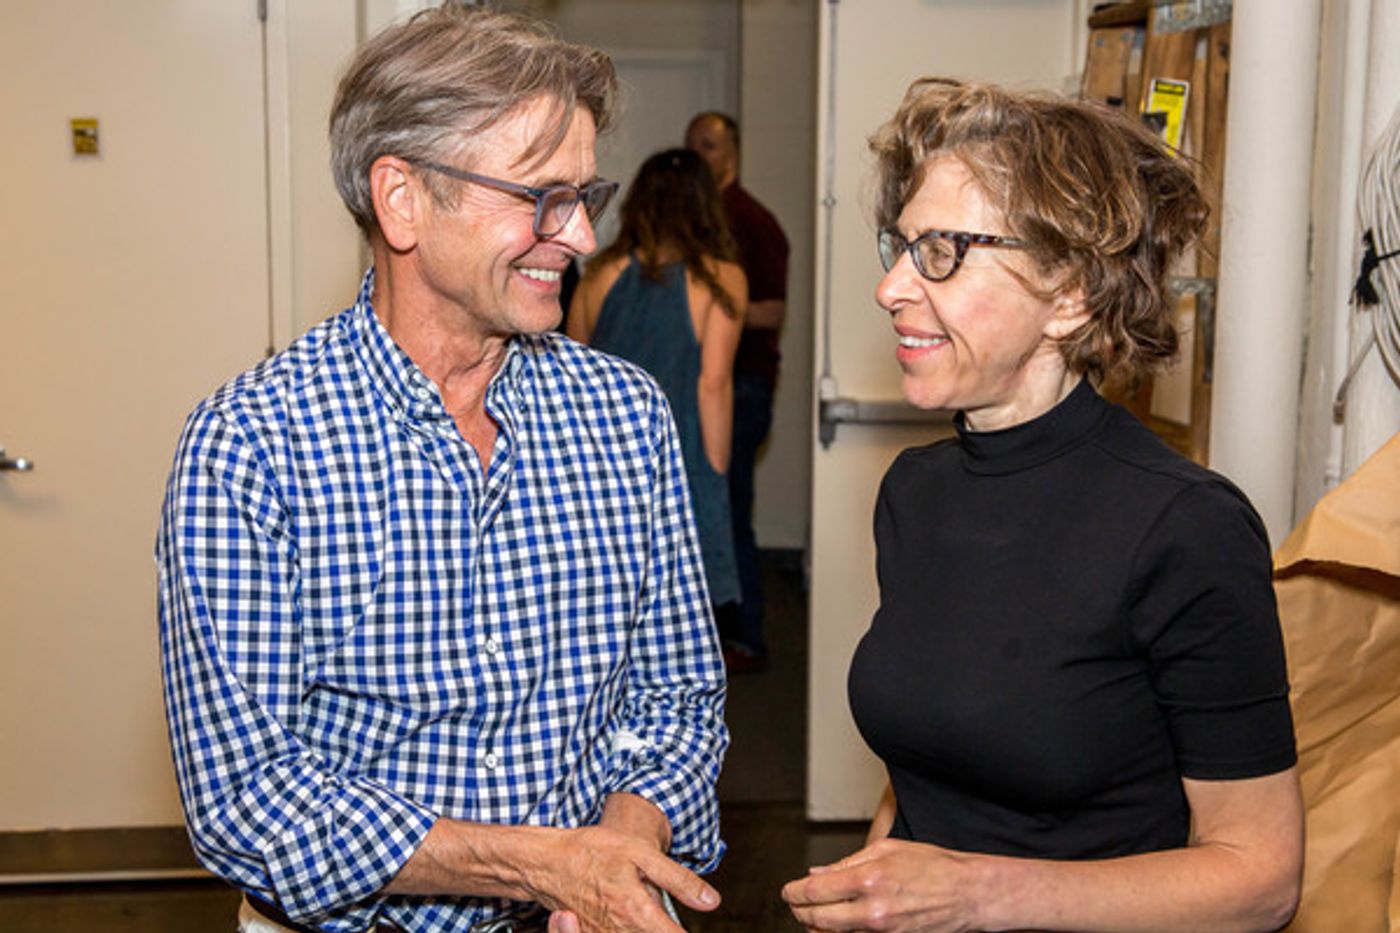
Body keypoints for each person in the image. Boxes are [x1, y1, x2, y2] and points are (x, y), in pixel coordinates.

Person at [156, 8, 728, 933]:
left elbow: (677, 695)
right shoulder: (253, 444)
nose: (580, 235)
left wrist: (618, 859)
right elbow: (248, 797)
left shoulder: (625, 415)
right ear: (402, 199)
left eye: (587, 194)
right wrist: (545, 863)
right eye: (541, 198)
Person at [782, 78, 1303, 932]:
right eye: (901, 246)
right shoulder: (917, 492)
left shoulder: (1186, 527)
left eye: (943, 250)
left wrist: (978, 895)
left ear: (1072, 296)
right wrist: (880, 887)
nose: (892, 289)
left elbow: (1260, 879)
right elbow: (930, 761)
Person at [567, 148, 747, 621]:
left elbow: (569, 378)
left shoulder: (598, 276)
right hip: (682, 456)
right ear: (707, 205)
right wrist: (715, 476)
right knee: (679, 624)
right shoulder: (722, 279)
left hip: (599, 465)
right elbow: (713, 385)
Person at [684, 111, 789, 672]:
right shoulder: (701, 221)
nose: (699, 156)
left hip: (743, 386)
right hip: (708, 382)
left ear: (733, 152)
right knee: (709, 511)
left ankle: (747, 637)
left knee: (730, 511)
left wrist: (708, 309)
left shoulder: (751, 221)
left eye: (709, 146)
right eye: (692, 147)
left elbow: (772, 309)